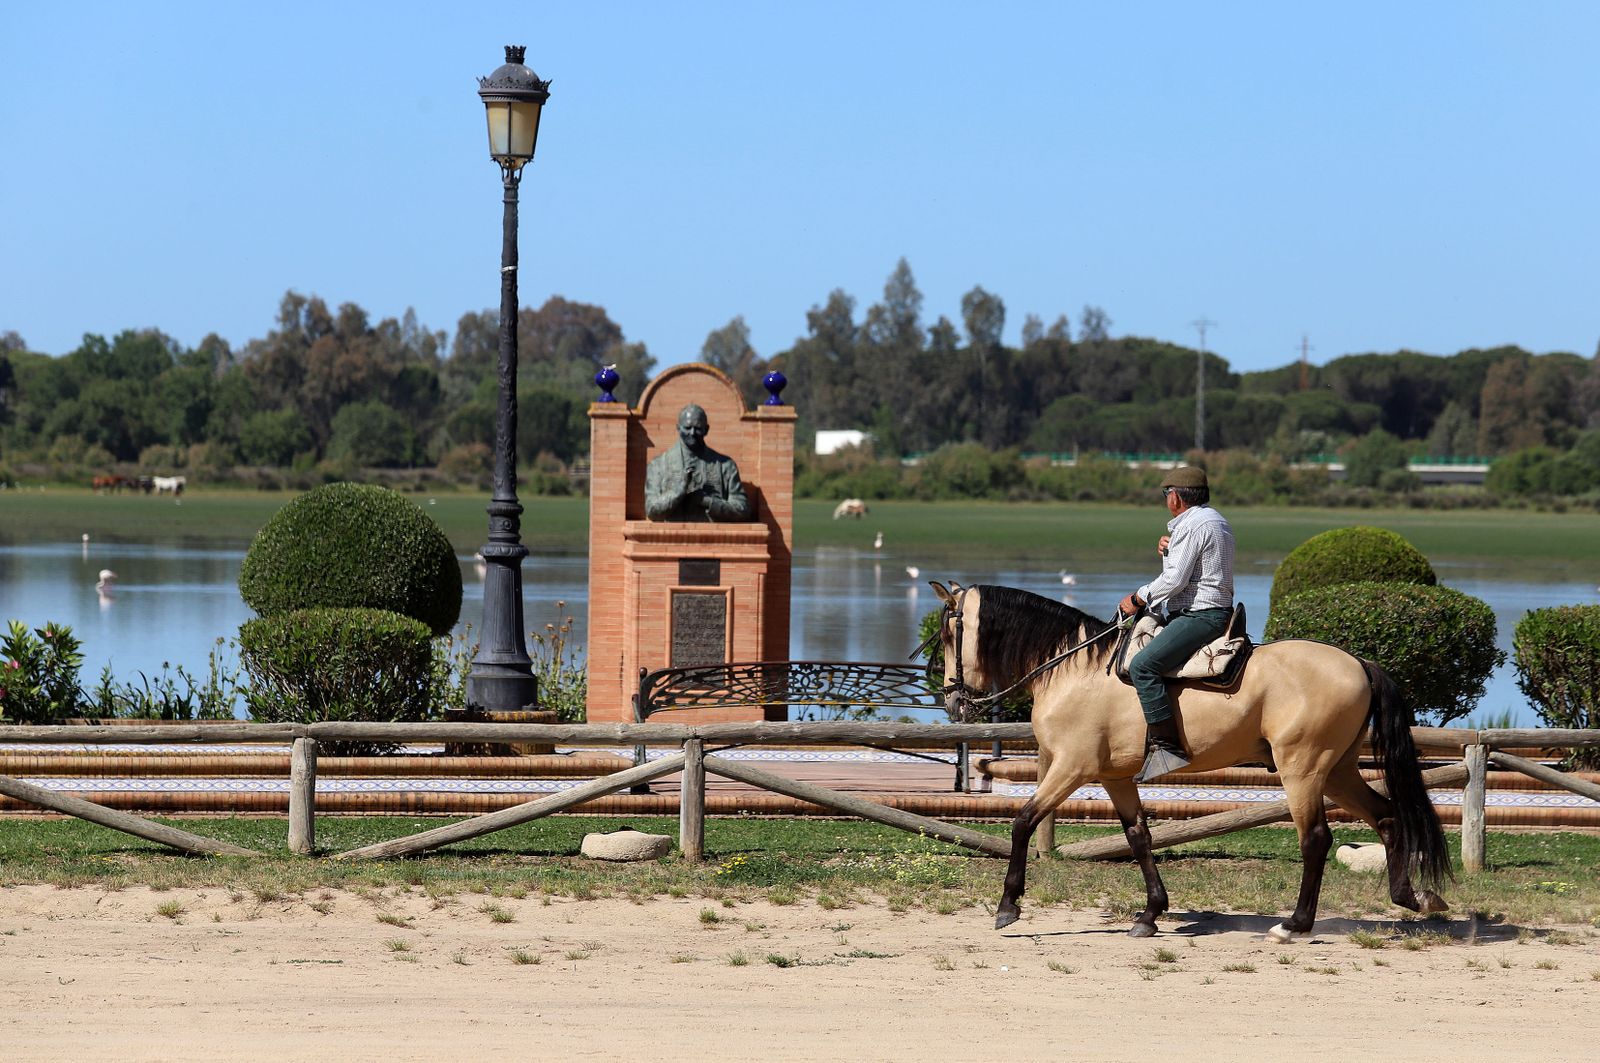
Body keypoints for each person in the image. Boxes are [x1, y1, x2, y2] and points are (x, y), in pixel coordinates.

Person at [1117, 466, 1235, 782]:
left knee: (1142, 666)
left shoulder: (1194, 526)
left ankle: (1168, 749)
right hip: (1208, 610)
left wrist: (1138, 598)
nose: (1166, 499)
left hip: (1201, 616)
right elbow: (1188, 572)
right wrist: (1170, 552)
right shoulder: (1214, 520)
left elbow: (1175, 580)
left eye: (1166, 493)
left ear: (1176, 497)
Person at [644, 403, 752, 522]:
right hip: (672, 537)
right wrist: (678, 492)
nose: (692, 433)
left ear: (706, 429)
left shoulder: (725, 465)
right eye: (687, 428)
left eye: (698, 428)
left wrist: (708, 501)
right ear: (678, 428)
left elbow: (743, 509)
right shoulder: (658, 465)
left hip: (714, 537)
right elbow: (651, 511)